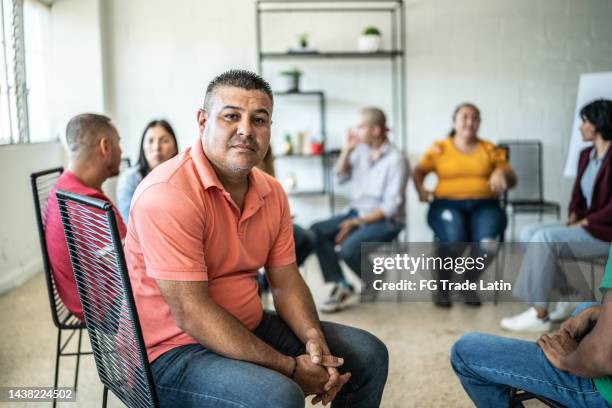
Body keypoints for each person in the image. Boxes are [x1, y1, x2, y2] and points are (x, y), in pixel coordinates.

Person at [124, 70, 388, 407]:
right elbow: (191, 312)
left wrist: (313, 340)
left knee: (369, 355)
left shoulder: (271, 191)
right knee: (279, 396)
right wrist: (290, 367)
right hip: (171, 351)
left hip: (247, 326)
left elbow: (286, 280)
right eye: (231, 116)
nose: (246, 130)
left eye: (259, 119)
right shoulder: (169, 193)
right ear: (203, 121)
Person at [451, 244, 612, 408]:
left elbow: (600, 359)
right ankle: (541, 312)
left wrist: (566, 360)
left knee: (464, 350)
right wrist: (597, 311)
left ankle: (539, 313)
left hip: (605, 388)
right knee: (584, 308)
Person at [502, 99, 612, 332]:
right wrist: (574, 214)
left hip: (604, 231)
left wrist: (587, 221)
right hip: (586, 224)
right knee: (529, 232)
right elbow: (578, 194)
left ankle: (539, 313)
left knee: (545, 239)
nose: (581, 127)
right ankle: (567, 294)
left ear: (598, 124)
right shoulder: (586, 154)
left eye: (585, 122)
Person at [412, 102, 516, 307]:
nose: (470, 122)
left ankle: (468, 283)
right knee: (453, 239)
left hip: (485, 205)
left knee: (489, 244)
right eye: (464, 117)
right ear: (454, 122)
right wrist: (421, 190)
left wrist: (501, 172)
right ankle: (443, 287)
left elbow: (511, 178)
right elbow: (418, 171)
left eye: (475, 118)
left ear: (479, 124)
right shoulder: (439, 148)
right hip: (447, 204)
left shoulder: (490, 149)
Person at [310, 107, 409, 313]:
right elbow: (339, 177)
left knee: (349, 249)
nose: (355, 131)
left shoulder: (396, 160)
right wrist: (346, 150)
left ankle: (373, 278)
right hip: (355, 212)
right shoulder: (360, 151)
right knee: (316, 231)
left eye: (360, 126)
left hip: (386, 220)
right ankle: (341, 284)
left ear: (376, 130)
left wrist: (357, 223)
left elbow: (391, 207)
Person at [45, 113, 126, 320]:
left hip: (83, 301)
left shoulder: (62, 188)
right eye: (118, 142)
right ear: (105, 146)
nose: (121, 150)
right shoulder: (90, 205)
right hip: (109, 309)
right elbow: (134, 265)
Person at [116, 119, 179, 224]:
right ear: (142, 146)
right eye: (150, 141)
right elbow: (128, 222)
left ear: (174, 146)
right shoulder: (129, 179)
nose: (156, 147)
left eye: (164, 141)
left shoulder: (183, 177)